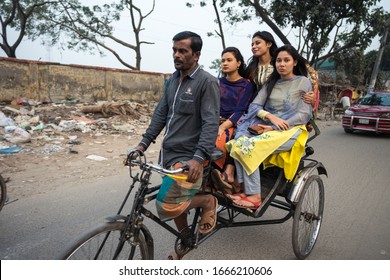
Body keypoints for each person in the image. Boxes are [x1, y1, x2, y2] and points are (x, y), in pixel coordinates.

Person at [133, 31, 220, 254]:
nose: (177, 55)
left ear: (197, 55)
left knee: (167, 203)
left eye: (183, 51)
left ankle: (207, 202)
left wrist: (199, 158)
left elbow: (211, 123)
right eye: (174, 50)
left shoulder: (206, 82)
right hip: (168, 154)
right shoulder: (172, 80)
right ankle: (185, 237)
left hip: (190, 156)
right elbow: (161, 114)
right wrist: (142, 144)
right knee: (177, 200)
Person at [225, 44, 313, 209]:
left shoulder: (303, 82)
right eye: (278, 60)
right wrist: (270, 117)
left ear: (294, 62)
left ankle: (255, 195)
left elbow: (304, 114)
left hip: (290, 131)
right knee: (238, 143)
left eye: (286, 60)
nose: (282, 64)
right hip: (266, 126)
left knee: (248, 147)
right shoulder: (271, 83)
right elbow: (254, 107)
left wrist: (274, 128)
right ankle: (244, 189)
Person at [213, 47, 255, 188]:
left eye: (229, 60)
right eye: (223, 60)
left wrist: (223, 126)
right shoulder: (217, 82)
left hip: (236, 121)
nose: (225, 63)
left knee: (231, 138)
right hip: (215, 119)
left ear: (238, 63)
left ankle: (229, 172)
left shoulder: (246, 85)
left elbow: (240, 110)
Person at [246, 31, 318, 109]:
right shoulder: (251, 68)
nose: (253, 46)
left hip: (283, 105)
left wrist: (312, 95)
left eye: (257, 43)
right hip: (257, 106)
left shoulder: (281, 64)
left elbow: (306, 78)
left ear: (269, 44)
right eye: (252, 44)